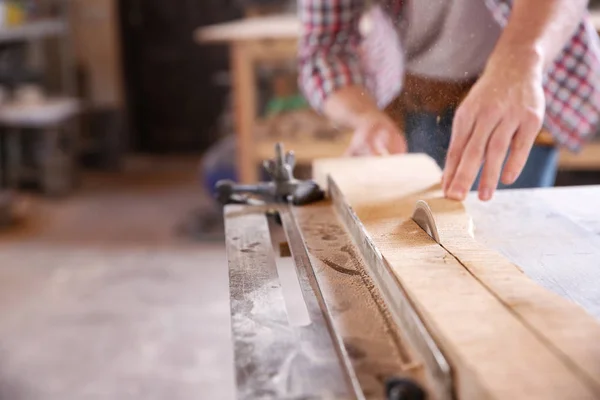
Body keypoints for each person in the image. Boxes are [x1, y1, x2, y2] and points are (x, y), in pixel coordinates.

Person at [297, 0, 600, 201]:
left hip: (523, 78)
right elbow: (325, 46)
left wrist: (521, 60)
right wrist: (366, 118)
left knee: (506, 241)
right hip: (412, 91)